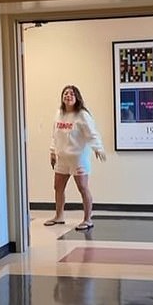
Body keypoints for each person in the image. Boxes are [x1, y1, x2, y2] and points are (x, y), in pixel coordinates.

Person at [45, 85, 106, 231]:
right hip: (62, 158)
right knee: (58, 187)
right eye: (65, 93)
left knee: (83, 188)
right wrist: (52, 151)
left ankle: (87, 219)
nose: (68, 96)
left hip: (78, 158)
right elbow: (55, 134)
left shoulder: (82, 115)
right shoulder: (59, 113)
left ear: (77, 97)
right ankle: (59, 216)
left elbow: (92, 133)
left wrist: (98, 148)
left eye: (71, 94)